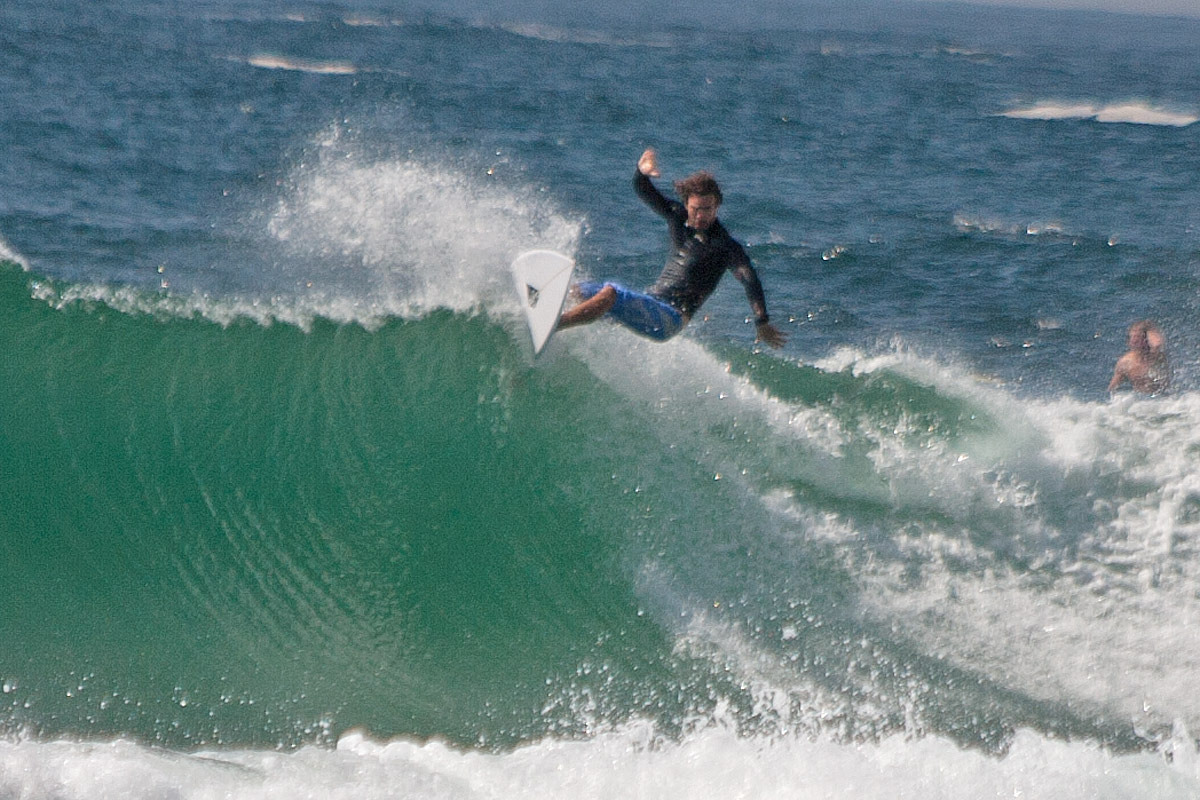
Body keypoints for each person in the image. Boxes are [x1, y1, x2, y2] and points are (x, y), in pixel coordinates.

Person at [557, 149, 788, 349]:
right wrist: (642, 170)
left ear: (717, 206)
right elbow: (643, 189)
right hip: (651, 302)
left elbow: (749, 279)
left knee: (610, 294)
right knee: (578, 292)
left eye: (707, 209)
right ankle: (545, 311)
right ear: (686, 204)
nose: (701, 215)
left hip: (670, 318)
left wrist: (762, 321)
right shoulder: (677, 216)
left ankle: (554, 325)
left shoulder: (725, 246)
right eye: (696, 209)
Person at [1108, 320, 1169, 394]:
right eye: (1132, 337)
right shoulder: (1125, 363)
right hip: (1142, 399)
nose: (1134, 340)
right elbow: (1112, 390)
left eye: (1138, 337)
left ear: (1147, 339)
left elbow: (1157, 344)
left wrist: (1149, 331)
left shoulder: (1156, 356)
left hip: (1166, 398)